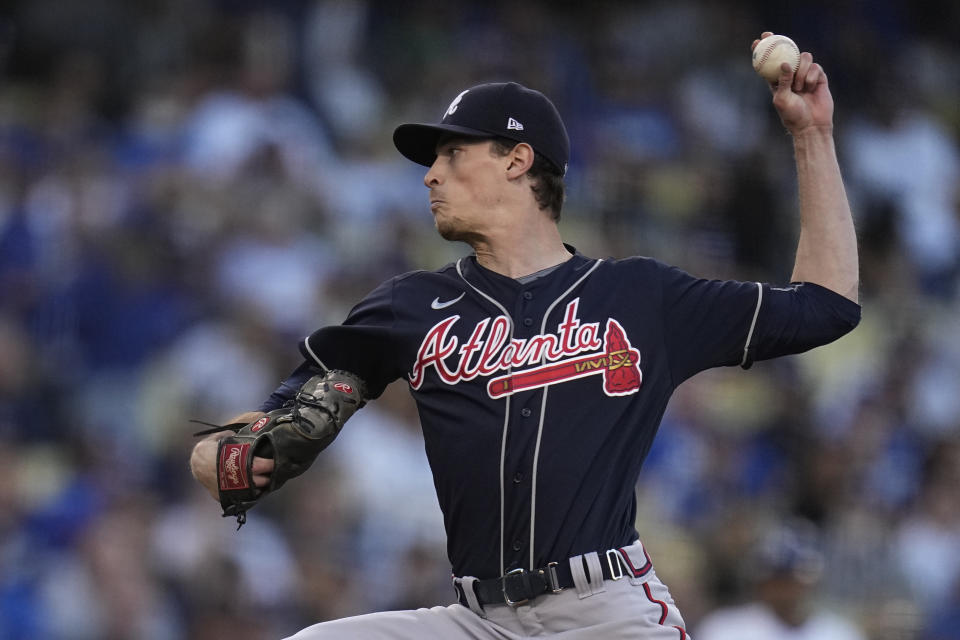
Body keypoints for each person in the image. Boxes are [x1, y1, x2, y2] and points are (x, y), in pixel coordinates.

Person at [190, 32, 860, 639]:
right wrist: (224, 457)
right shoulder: (409, 305)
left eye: (453, 153)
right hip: (476, 621)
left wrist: (812, 138)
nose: (430, 174)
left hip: (606, 613)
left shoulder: (640, 297)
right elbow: (282, 417)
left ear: (517, 160)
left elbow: (825, 305)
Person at [695, 520, 866, 640]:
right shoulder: (724, 628)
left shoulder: (838, 633)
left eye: (791, 581)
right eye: (776, 581)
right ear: (760, 584)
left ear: (810, 583)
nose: (784, 591)